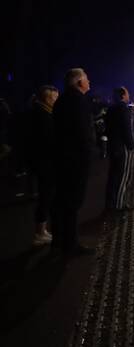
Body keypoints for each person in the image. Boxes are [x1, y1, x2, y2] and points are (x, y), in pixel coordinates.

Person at [51, 68, 95, 256]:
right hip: (75, 161)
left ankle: (58, 242)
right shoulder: (78, 101)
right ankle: (70, 245)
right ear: (79, 83)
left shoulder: (62, 100)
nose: (89, 82)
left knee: (62, 201)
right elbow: (82, 133)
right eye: (86, 79)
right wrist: (89, 156)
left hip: (62, 159)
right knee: (72, 203)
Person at [26, 85, 59, 246]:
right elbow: (48, 140)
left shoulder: (39, 112)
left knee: (46, 196)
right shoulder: (43, 115)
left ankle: (42, 230)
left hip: (42, 162)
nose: (56, 101)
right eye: (55, 98)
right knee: (45, 196)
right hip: (45, 163)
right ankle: (39, 233)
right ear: (48, 99)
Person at [105, 87, 134, 213]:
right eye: (127, 93)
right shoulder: (123, 109)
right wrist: (131, 145)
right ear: (123, 95)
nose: (129, 95)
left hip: (113, 145)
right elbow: (126, 129)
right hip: (122, 147)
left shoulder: (111, 108)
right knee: (122, 176)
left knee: (113, 175)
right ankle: (119, 204)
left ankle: (110, 203)